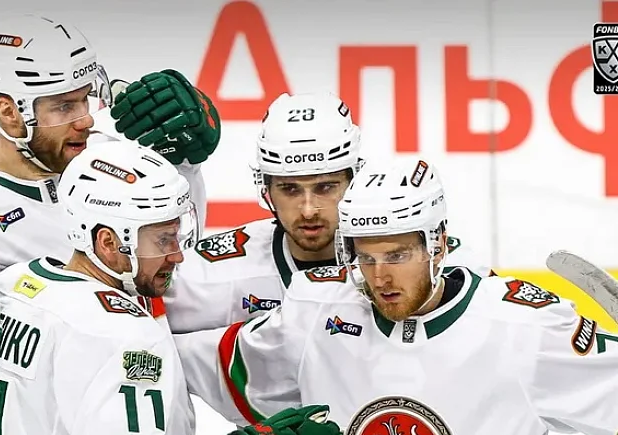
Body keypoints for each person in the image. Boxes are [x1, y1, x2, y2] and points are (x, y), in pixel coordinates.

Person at [0, 141, 343, 435]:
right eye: (162, 239)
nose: (178, 254)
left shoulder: (10, 284)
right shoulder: (123, 335)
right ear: (108, 242)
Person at [175, 156, 618, 435]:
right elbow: (180, 361)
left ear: (438, 244)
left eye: (398, 255)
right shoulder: (315, 310)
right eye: (364, 257)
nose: (380, 277)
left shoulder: (525, 327)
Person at [0, 13, 220, 321]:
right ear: (10, 113)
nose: (85, 120)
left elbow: (177, 263)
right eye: (64, 107)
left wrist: (186, 163)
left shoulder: (111, 157)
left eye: (84, 99)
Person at [164, 92, 490, 335]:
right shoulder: (212, 272)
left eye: (325, 187)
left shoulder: (443, 264)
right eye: (290, 189)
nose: (308, 210)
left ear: (354, 179)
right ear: (266, 189)